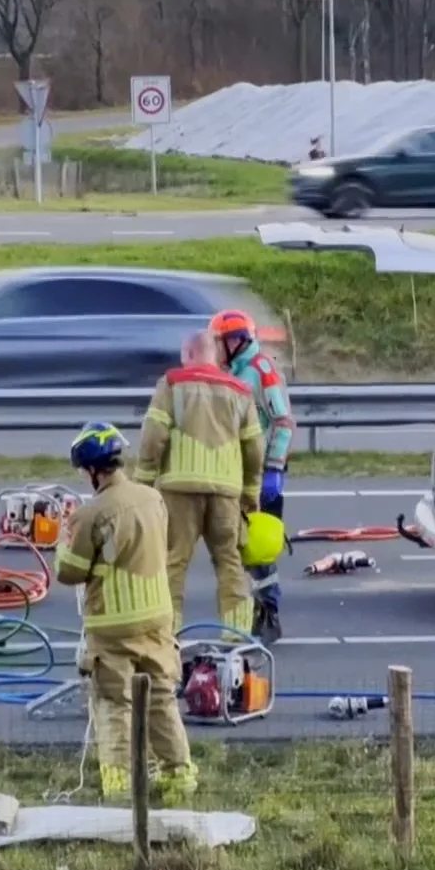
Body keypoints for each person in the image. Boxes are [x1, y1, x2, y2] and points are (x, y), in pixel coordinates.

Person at [55, 421, 196, 801]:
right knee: (162, 698)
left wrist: (62, 538)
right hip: (158, 619)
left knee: (114, 704)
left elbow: (69, 572)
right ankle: (179, 773)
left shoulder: (90, 514)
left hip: (112, 626)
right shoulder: (153, 499)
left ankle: (119, 785)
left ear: (92, 470)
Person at [134, 331, 266, 637]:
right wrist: (250, 492)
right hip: (226, 494)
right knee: (230, 563)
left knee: (172, 563)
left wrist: (143, 480)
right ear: (214, 355)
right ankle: (237, 636)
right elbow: (254, 447)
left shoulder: (172, 383)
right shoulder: (240, 390)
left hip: (178, 490)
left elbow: (154, 435)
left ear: (188, 354)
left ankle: (166, 637)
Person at [210, 309, 295, 638]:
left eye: (220, 341)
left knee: (258, 548)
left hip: (261, 472)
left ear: (236, 341)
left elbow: (283, 422)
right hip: (239, 471)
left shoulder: (261, 370)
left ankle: (269, 613)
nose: (216, 348)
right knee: (239, 547)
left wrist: (273, 468)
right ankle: (253, 609)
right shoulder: (234, 370)